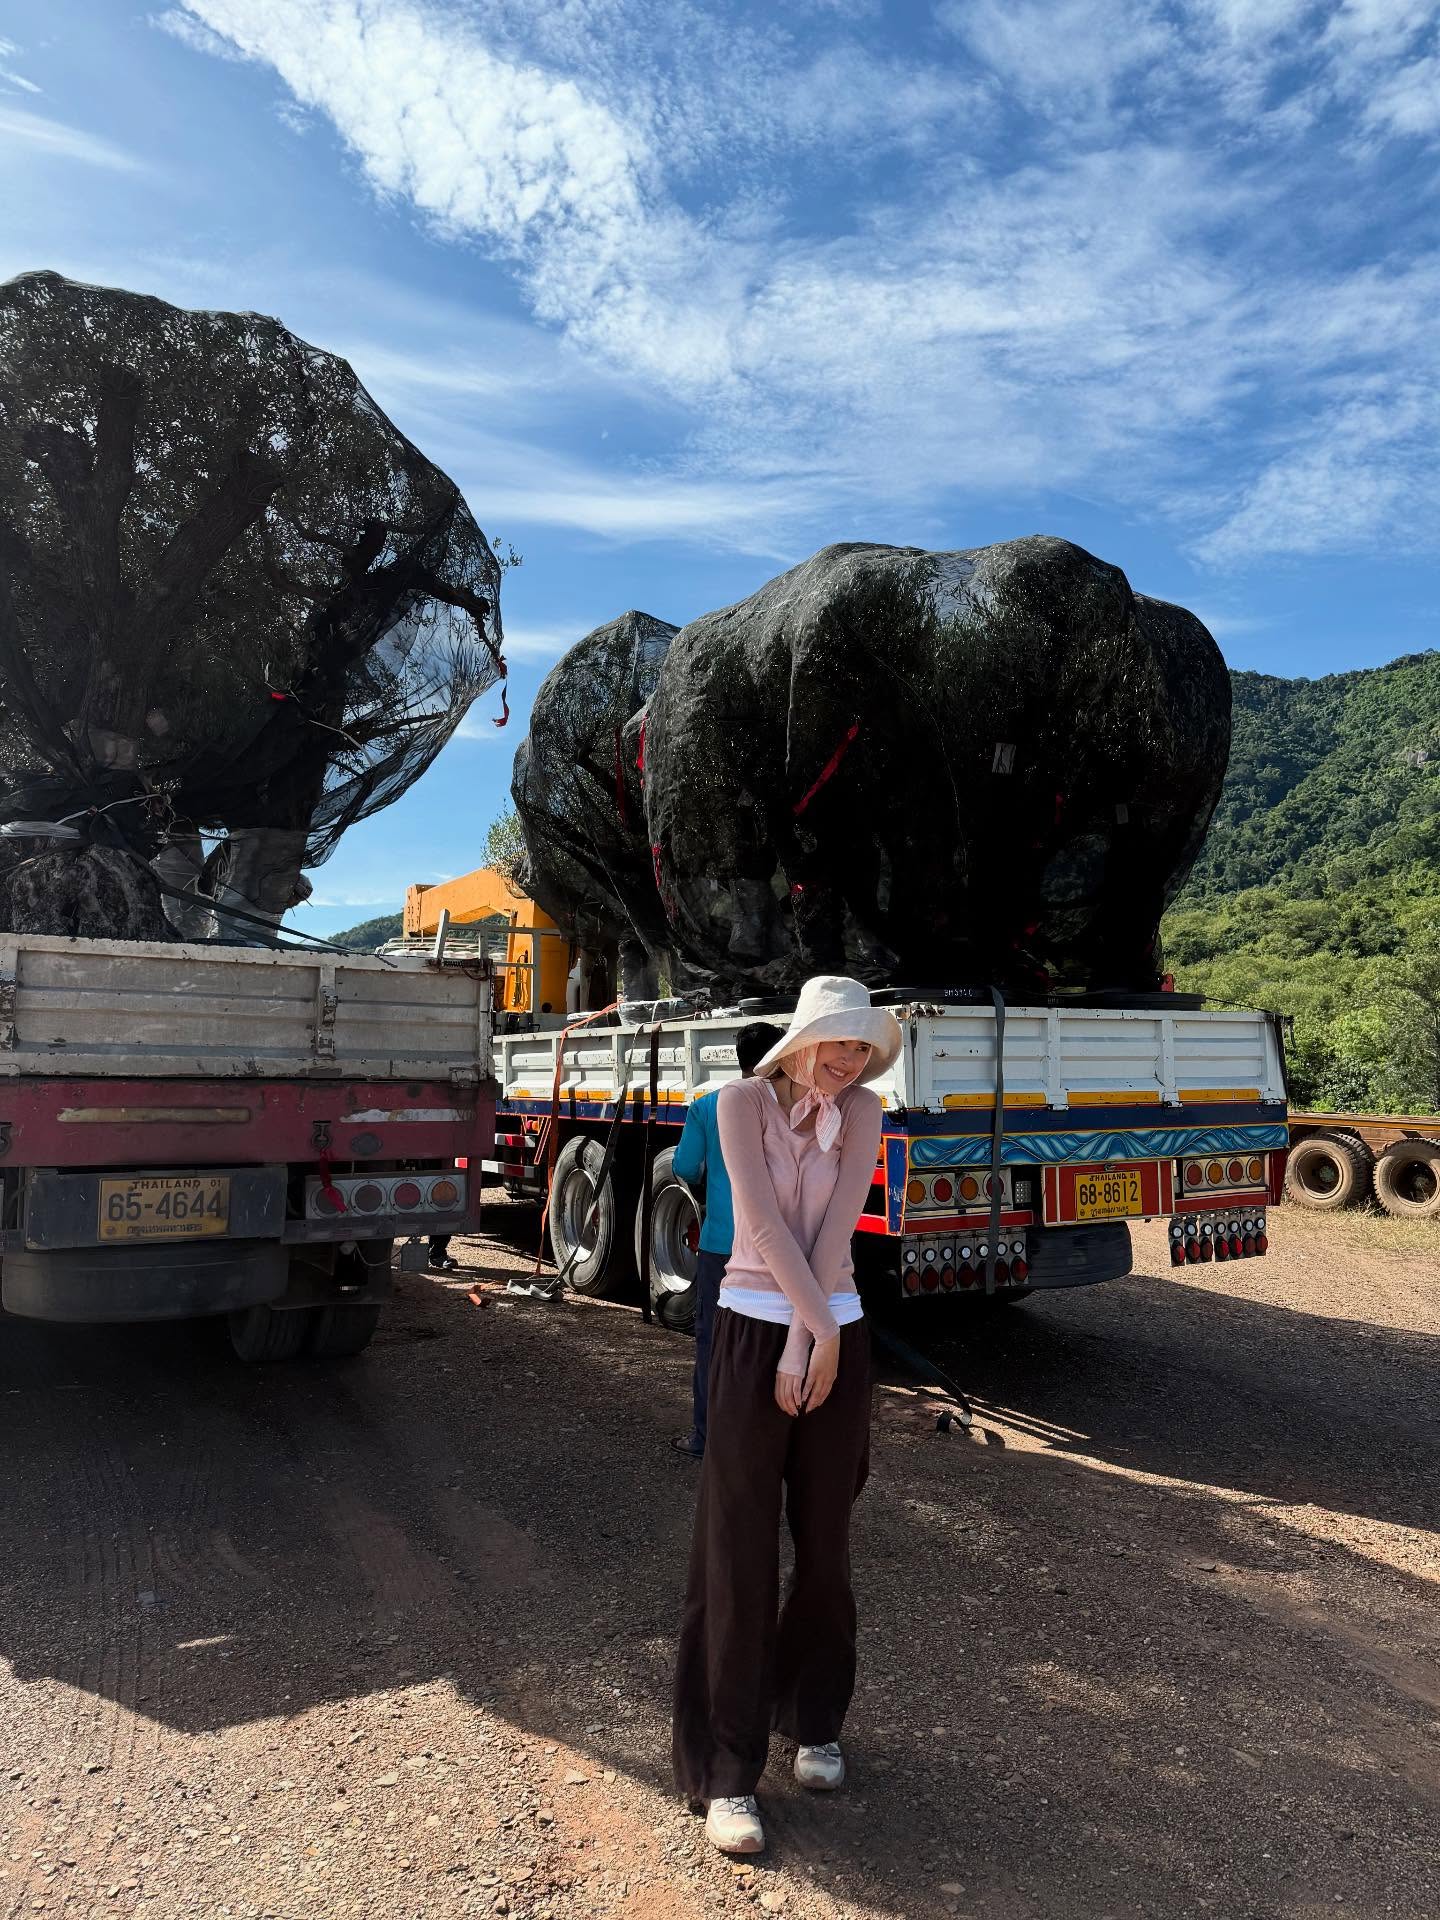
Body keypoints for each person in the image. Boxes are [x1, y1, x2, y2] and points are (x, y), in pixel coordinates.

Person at [672, 975, 902, 1858]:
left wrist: (817, 1342)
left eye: (862, 1049)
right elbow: (761, 1230)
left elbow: (837, 1227)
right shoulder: (736, 1103)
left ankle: (815, 1722)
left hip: (833, 1334)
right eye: (839, 1044)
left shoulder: (867, 1110)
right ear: (801, 1040)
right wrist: (805, 1336)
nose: (850, 1063)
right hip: (751, 1330)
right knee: (735, 1544)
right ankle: (729, 1770)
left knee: (827, 1536)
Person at [668, 1020, 785, 1460]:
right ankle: (770, 1436)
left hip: (724, 1246)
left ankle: (707, 1437)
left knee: (716, 1343)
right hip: (783, 1248)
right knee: (778, 1341)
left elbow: (685, 1166)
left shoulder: (708, 1106)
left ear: (739, 1061)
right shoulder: (795, 1106)